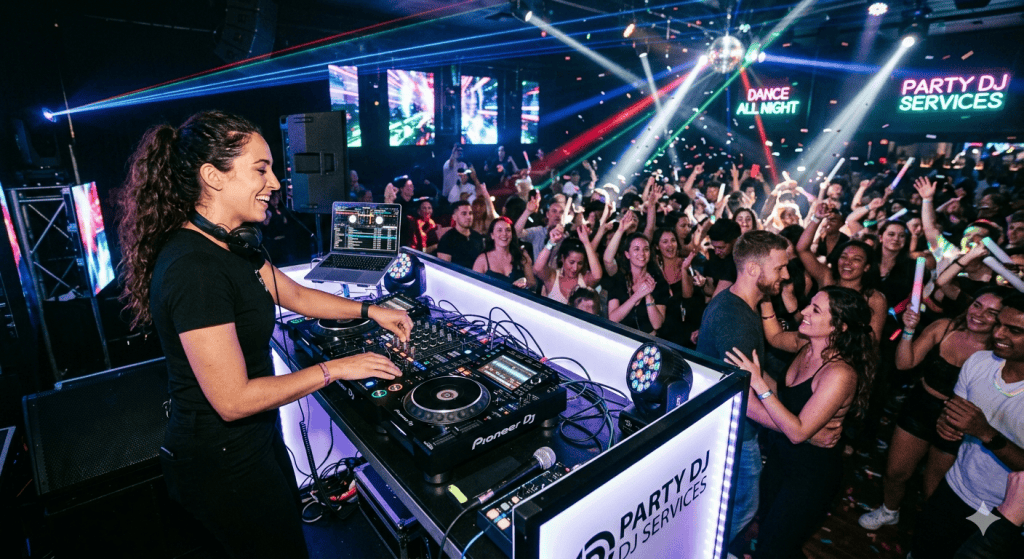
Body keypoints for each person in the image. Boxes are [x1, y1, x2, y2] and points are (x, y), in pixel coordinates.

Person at [115, 111, 412, 559]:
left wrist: (373, 311)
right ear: (213, 176)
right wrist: (336, 368)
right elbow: (233, 400)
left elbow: (296, 294)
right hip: (219, 462)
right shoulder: (194, 269)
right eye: (261, 169)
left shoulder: (234, 244)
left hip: (254, 442)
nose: (274, 182)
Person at [728, 286, 875, 559]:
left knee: (775, 547)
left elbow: (797, 432)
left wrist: (758, 383)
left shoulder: (839, 373)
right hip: (780, 458)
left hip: (811, 475)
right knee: (772, 537)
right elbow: (774, 338)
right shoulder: (804, 344)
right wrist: (766, 294)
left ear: (839, 326)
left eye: (815, 310)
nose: (804, 311)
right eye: (810, 304)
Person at [859, 288, 1008, 530]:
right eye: (977, 305)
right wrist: (909, 330)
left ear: (1002, 321)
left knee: (934, 487)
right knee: (896, 472)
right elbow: (904, 363)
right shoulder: (944, 328)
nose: (979, 314)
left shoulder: (1000, 354)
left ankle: (930, 533)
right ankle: (889, 511)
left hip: (958, 422)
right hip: (921, 407)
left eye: (991, 312)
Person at [911, 294, 1024, 559]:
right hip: (954, 486)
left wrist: (986, 433)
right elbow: (955, 412)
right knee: (925, 549)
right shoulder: (979, 362)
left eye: (1014, 330)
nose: (998, 333)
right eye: (999, 324)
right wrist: (947, 422)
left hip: (998, 510)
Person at [607, 233, 669, 334]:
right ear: (627, 254)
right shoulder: (618, 280)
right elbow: (613, 318)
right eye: (636, 249)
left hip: (647, 339)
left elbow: (657, 324)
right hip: (621, 337)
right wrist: (638, 295)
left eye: (646, 249)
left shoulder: (659, 282)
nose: (642, 253)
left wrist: (648, 296)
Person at [533, 223, 602, 304]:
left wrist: (586, 243)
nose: (575, 268)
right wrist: (551, 242)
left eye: (580, 263)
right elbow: (537, 269)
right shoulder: (553, 277)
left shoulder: (584, 280)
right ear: (562, 258)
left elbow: (597, 276)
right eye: (571, 262)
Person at [472, 216, 535, 289]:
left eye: (508, 230)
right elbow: (473, 287)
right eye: (499, 230)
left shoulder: (522, 255)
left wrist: (526, 283)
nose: (504, 234)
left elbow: (533, 284)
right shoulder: (482, 260)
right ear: (492, 235)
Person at [436, 200, 485, 269]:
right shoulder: (447, 240)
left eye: (470, 213)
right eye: (464, 214)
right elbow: (443, 269)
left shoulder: (477, 237)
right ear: (454, 217)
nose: (469, 217)